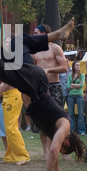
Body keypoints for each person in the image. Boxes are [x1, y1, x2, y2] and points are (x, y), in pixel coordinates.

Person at [0, 18, 85, 171]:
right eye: (63, 149)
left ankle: (57, 34)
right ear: (66, 142)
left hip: (30, 83)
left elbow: (55, 153)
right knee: (2, 70)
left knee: (18, 42)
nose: (58, 150)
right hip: (35, 84)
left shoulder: (57, 131)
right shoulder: (64, 126)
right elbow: (53, 151)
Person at [33, 24, 69, 159]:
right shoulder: (33, 50)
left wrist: (49, 70)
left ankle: (64, 150)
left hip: (54, 86)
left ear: (44, 34)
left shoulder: (55, 48)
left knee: (60, 118)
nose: (34, 35)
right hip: (39, 88)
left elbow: (64, 68)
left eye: (36, 33)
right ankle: (46, 152)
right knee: (42, 120)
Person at [0, 82, 30, 165]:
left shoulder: (11, 68)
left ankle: (23, 156)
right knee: (8, 128)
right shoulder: (3, 68)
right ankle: (10, 156)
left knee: (11, 128)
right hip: (7, 95)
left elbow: (13, 74)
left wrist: (3, 83)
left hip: (14, 95)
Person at [66, 61, 86, 135]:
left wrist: (72, 85)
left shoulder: (82, 75)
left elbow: (81, 85)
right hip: (71, 96)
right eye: (77, 65)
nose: (78, 66)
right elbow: (67, 86)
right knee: (71, 114)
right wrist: (77, 84)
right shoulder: (70, 76)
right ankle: (72, 130)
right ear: (74, 66)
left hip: (79, 95)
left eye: (79, 65)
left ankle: (82, 131)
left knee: (81, 114)